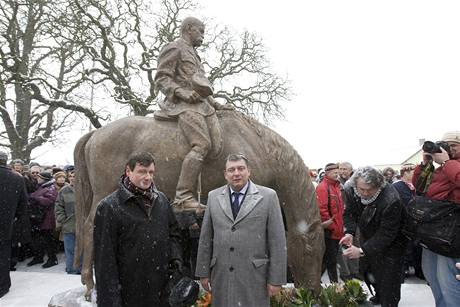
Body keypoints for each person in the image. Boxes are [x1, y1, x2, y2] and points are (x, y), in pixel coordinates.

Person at [155, 16, 231, 211]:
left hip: (202, 106)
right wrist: (182, 93)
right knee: (202, 144)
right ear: (189, 29)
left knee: (218, 146)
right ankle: (183, 197)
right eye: (201, 31)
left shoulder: (195, 56)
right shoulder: (175, 47)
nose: (203, 37)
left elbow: (202, 88)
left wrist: (216, 104)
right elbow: (162, 78)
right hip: (183, 106)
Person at [195, 154, 287, 307]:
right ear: (225, 174)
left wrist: (276, 279)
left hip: (254, 276)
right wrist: (203, 272)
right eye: (231, 170)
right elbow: (206, 238)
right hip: (221, 275)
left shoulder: (268, 196)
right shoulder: (213, 197)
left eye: (240, 168)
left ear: (249, 171)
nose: (236, 173)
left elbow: (277, 241)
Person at [93, 152, 183, 307]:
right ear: (128, 171)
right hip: (129, 292)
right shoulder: (109, 207)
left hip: (162, 290)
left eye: (151, 172)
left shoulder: (161, 200)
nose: (148, 177)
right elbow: (104, 261)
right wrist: (111, 300)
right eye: (142, 172)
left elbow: (173, 234)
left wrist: (176, 262)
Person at [340, 166, 406, 307]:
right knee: (370, 272)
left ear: (378, 186)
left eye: (369, 190)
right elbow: (349, 213)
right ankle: (378, 295)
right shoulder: (351, 189)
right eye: (361, 189)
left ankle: (389, 302)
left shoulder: (391, 199)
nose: (364, 193)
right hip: (369, 236)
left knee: (389, 280)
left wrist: (362, 251)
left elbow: (387, 233)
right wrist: (349, 232)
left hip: (393, 244)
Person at [412, 131, 460, 307]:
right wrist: (425, 163)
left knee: (448, 281)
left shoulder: (450, 165)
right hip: (433, 230)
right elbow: (418, 187)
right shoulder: (440, 167)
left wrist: (447, 162)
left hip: (451, 232)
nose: (449, 149)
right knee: (432, 276)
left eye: (454, 145)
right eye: (446, 145)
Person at [0, 150, 27, 298]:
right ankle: (2, 286)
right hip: (6, 223)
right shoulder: (17, 179)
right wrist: (13, 217)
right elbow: (23, 204)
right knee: (3, 255)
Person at [393, 164, 424, 280]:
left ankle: (418, 270)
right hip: (403, 222)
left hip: (415, 222)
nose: (415, 174)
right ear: (405, 173)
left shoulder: (414, 185)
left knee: (416, 247)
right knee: (405, 248)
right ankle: (402, 272)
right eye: (413, 172)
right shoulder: (398, 186)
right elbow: (408, 203)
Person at [316, 163, 344, 283]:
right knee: (330, 260)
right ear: (327, 173)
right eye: (335, 173)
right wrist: (331, 226)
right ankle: (334, 285)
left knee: (329, 259)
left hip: (337, 229)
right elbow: (322, 209)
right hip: (330, 230)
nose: (337, 174)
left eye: (338, 172)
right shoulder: (322, 187)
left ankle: (316, 281)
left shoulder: (336, 186)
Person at [27, 172, 59, 268]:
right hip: (39, 217)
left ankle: (52, 259)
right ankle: (38, 257)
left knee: (48, 239)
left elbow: (49, 200)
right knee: (37, 239)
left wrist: (35, 198)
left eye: (40, 177)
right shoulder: (40, 186)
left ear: (44, 178)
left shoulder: (51, 188)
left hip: (47, 218)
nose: (37, 178)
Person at [54, 170, 79, 274]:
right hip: (68, 225)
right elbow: (58, 206)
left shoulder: (86, 189)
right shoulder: (64, 190)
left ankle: (80, 269)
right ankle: (71, 270)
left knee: (82, 251)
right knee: (70, 250)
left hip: (82, 226)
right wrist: (62, 219)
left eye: (74, 176)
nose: (72, 178)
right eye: (70, 176)